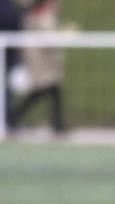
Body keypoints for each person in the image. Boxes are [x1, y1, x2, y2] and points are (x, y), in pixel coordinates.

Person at [6, 0, 66, 135]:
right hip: (41, 61)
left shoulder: (38, 17)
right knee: (46, 89)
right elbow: (48, 40)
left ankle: (58, 124)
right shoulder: (40, 17)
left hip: (44, 60)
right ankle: (13, 117)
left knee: (48, 89)